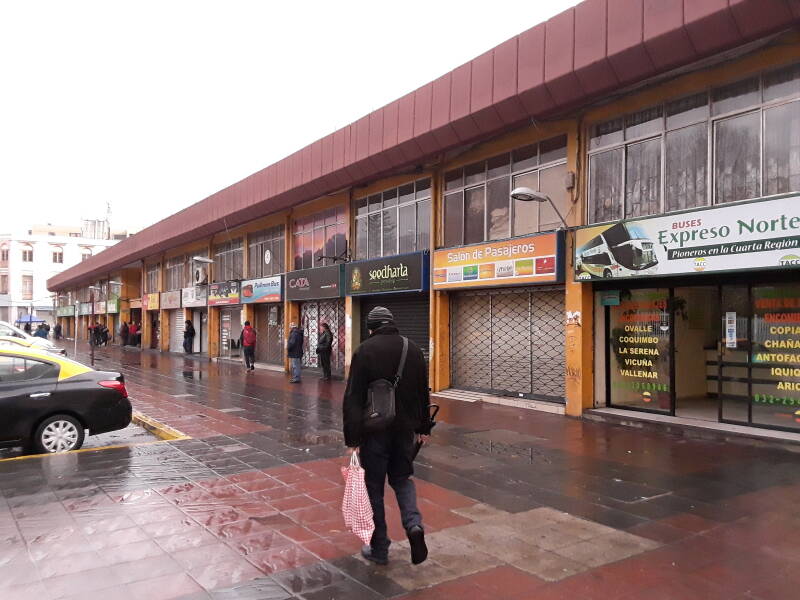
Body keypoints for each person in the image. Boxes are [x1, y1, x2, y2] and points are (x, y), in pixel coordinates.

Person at [343, 306, 431, 567]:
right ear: (393, 324)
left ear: (371, 328)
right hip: (404, 431)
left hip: (374, 433)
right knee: (403, 479)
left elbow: (353, 399)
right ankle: (413, 524)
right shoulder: (412, 349)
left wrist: (353, 439)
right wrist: (423, 428)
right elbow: (422, 392)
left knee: (374, 490)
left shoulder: (364, 351)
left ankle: (380, 548)